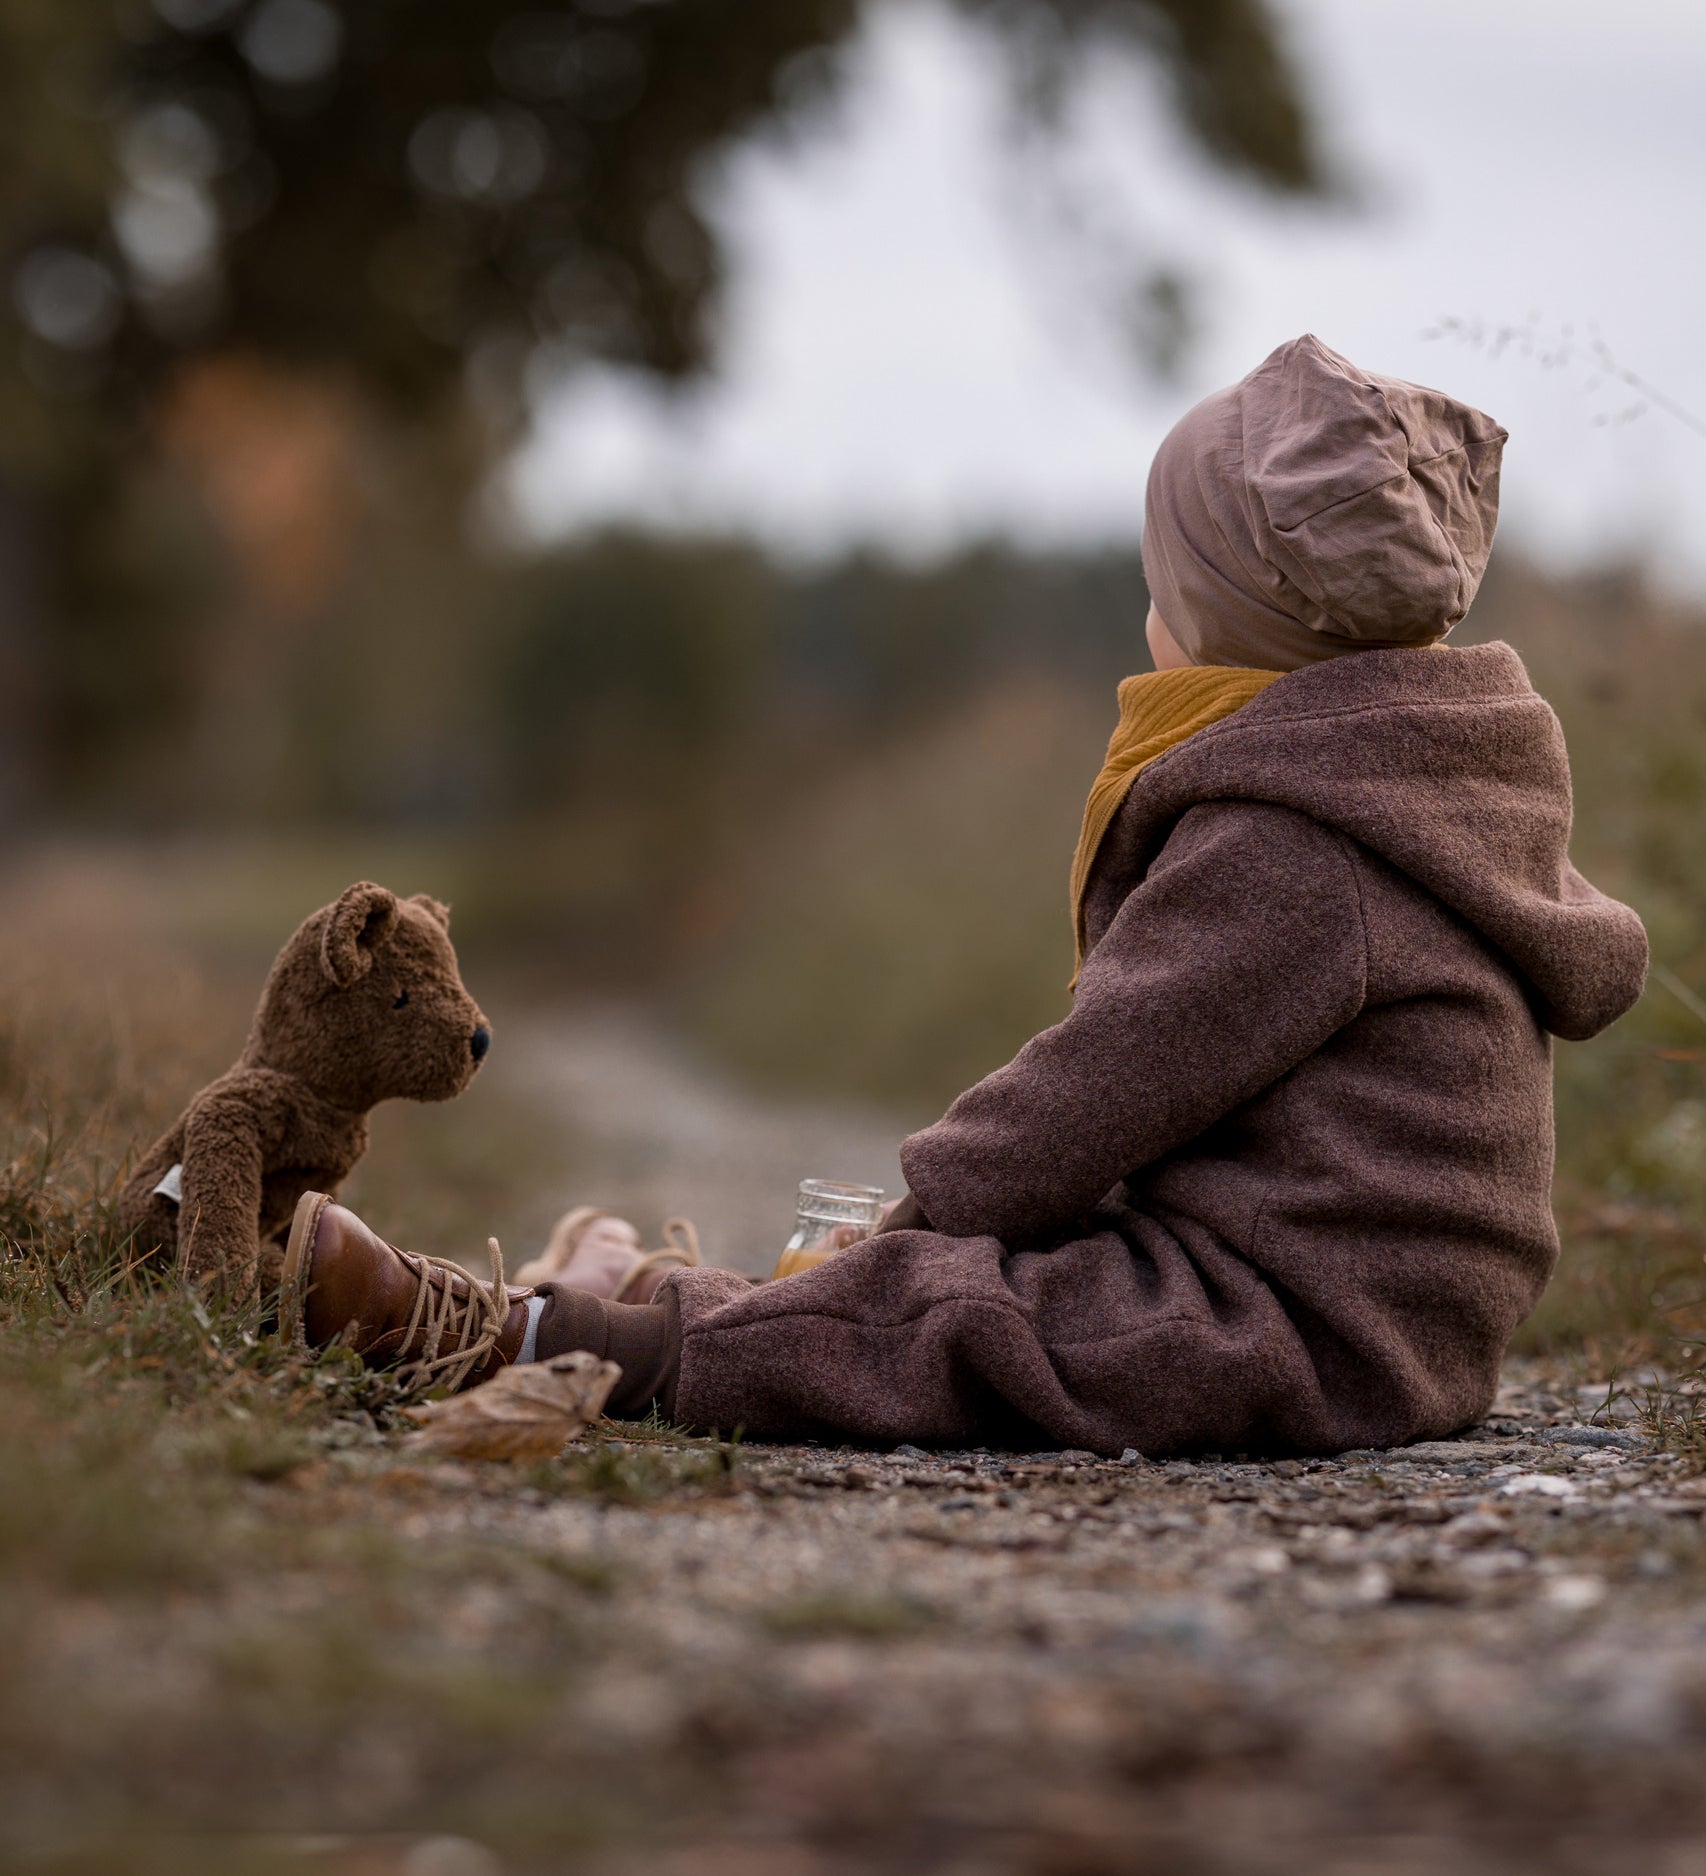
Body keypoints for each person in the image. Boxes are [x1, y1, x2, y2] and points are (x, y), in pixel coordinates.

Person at [280, 335, 1647, 1457]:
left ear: (1225, 620)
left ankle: (518, 1336)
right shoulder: (1402, 785)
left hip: (1295, 1327)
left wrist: (923, 1210)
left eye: (1160, 593)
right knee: (951, 1291)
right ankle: (647, 1288)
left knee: (944, 1316)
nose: (1147, 622)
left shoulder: (1291, 843)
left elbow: (1102, 1085)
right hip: (1376, 1310)